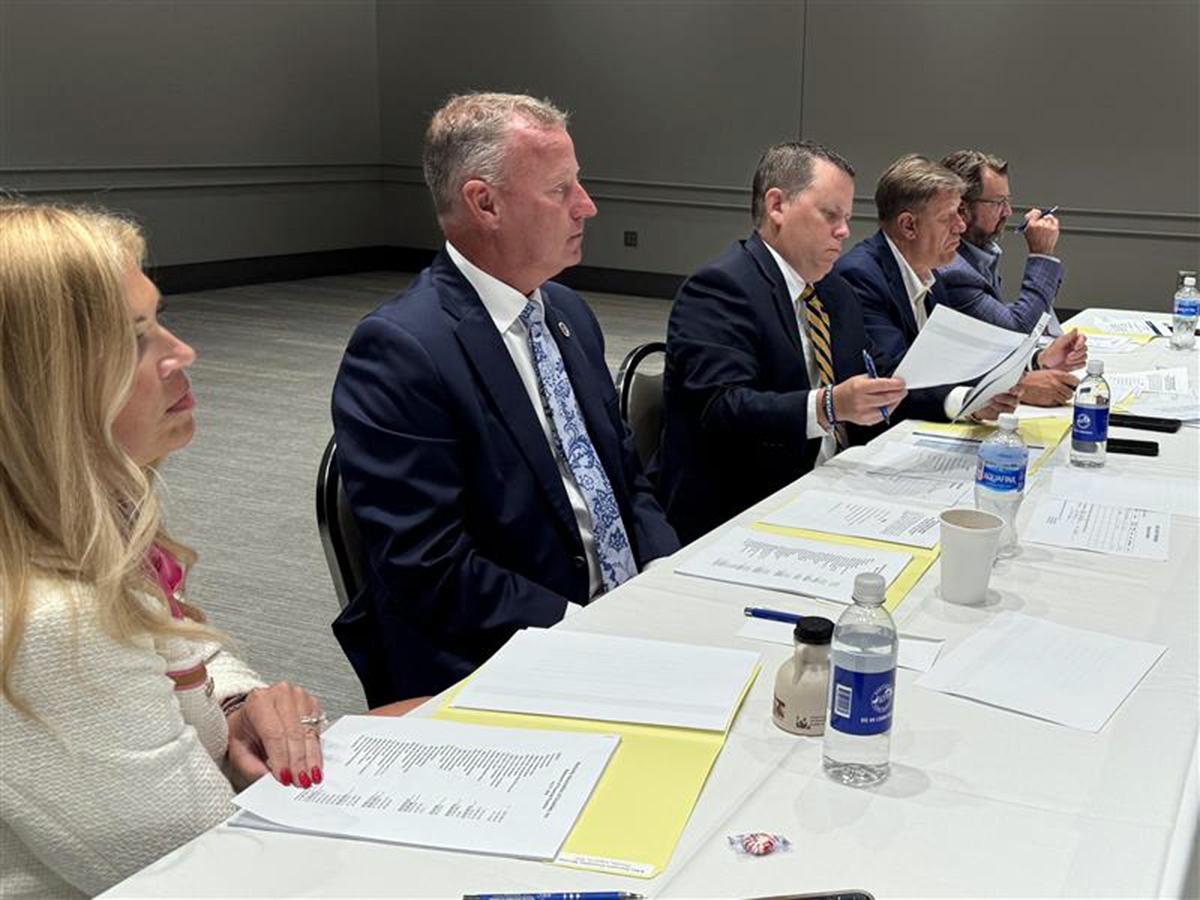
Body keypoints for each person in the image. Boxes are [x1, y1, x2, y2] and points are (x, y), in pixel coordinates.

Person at [0, 202, 326, 898]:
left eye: (158, 320)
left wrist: (237, 704)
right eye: (135, 339)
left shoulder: (66, 524)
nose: (182, 353)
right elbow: (207, 878)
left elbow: (172, 643)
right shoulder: (50, 622)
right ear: (39, 390)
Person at [331, 92, 679, 705]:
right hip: (501, 658)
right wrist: (588, 631)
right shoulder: (400, 351)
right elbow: (431, 567)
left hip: (623, 619)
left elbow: (624, 477)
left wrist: (662, 574)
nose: (587, 205)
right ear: (484, 203)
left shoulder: (567, 313)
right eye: (560, 190)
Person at [656, 141, 951, 545]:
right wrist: (828, 406)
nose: (844, 231)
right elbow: (720, 410)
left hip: (837, 488)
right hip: (746, 509)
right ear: (777, 206)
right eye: (830, 215)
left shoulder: (835, 292)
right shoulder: (721, 288)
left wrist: (967, 398)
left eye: (847, 218)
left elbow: (882, 378)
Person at [834, 154, 1086, 420]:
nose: (961, 226)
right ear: (909, 225)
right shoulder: (861, 276)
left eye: (960, 214)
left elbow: (960, 358)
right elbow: (896, 379)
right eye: (948, 217)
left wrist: (1035, 361)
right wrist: (975, 400)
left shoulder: (930, 271)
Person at [937, 149, 1078, 406]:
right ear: (962, 208)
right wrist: (1041, 255)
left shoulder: (979, 253)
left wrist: (1037, 359)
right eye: (998, 202)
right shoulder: (952, 268)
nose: (1008, 211)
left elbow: (990, 343)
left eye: (1007, 201)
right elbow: (1013, 331)